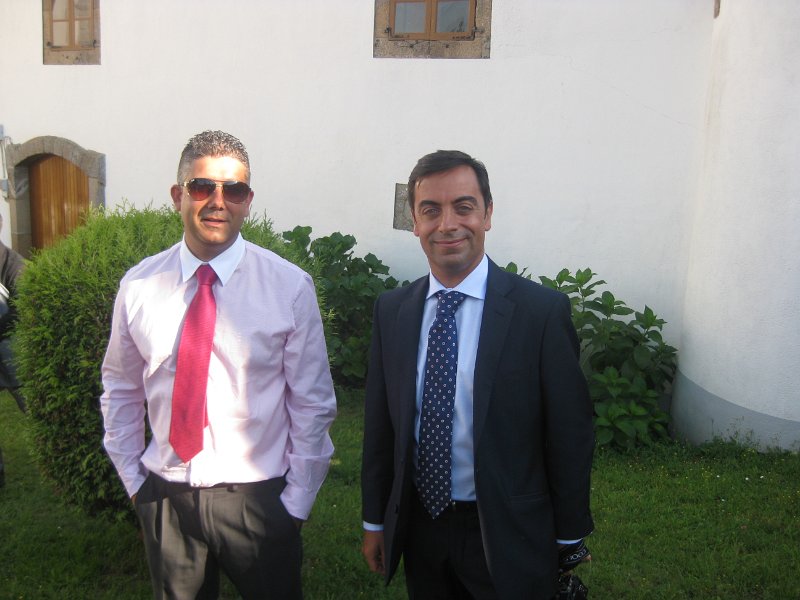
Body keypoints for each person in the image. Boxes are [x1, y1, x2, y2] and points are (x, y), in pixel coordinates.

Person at [101, 130, 336, 599]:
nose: (218, 201)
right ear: (178, 196)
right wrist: (136, 484)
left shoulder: (289, 288)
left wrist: (296, 502)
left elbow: (312, 403)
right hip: (166, 496)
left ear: (248, 202)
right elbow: (120, 388)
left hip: (258, 499)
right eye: (202, 186)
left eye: (234, 190)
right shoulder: (139, 286)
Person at [361, 150, 594, 599]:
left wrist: (569, 534)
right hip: (422, 525)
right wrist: (375, 521)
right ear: (415, 221)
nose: (447, 224)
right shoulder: (393, 311)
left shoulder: (539, 313)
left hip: (508, 529)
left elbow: (571, 432)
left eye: (463, 207)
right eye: (431, 210)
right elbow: (381, 428)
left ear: (487, 214)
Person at [0, 214, 26, 487]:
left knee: (30, 404)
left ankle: (55, 453)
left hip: (9, 347)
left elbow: (19, 310)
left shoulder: (13, 264)